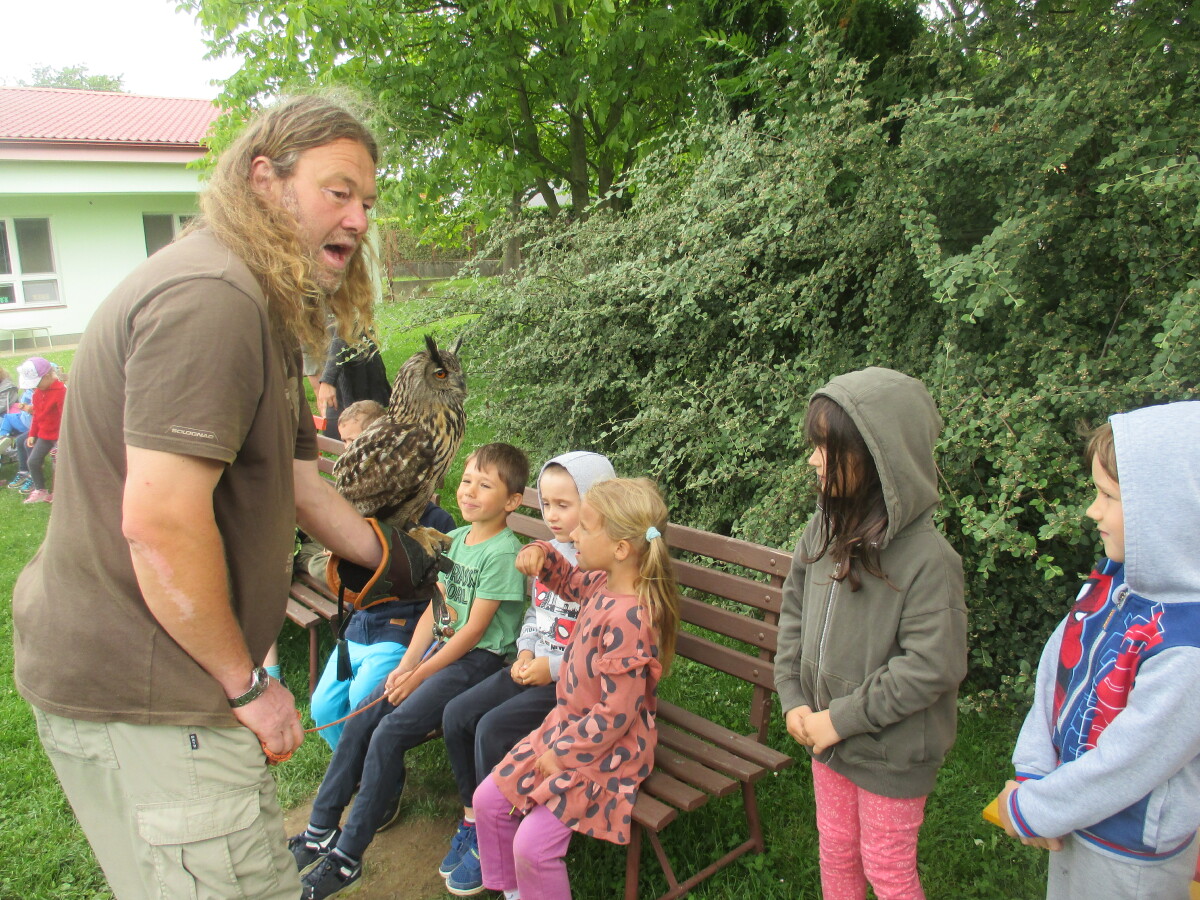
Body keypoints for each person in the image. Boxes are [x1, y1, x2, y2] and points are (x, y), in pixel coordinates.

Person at [11, 95, 443, 900]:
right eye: (338, 191)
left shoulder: (259, 304)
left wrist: (392, 556)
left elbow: (296, 482)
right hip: (155, 688)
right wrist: (248, 684)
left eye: (367, 202)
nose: (358, 219)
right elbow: (159, 523)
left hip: (177, 678)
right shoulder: (213, 297)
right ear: (263, 179)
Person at [290, 442, 530, 900]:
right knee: (364, 714)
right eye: (466, 481)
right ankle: (319, 830)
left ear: (512, 501)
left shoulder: (502, 554)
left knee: (390, 732)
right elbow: (436, 611)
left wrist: (419, 675)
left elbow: (472, 633)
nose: (469, 491)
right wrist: (405, 665)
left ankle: (347, 858)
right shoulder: (459, 540)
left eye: (485, 485)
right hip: (440, 651)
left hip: (477, 661)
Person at [774, 367, 967, 900]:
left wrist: (841, 719)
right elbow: (794, 609)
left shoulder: (929, 560)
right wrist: (792, 696)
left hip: (888, 753)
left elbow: (931, 666)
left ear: (878, 456)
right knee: (836, 852)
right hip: (824, 736)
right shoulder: (823, 529)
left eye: (826, 447)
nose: (813, 460)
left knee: (887, 870)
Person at [994, 403, 1200, 899]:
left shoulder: (1187, 646)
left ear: (1170, 509)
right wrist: (1033, 773)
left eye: (1109, 495)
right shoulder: (1116, 582)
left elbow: (1131, 762)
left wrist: (1030, 809)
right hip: (1069, 816)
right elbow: (1058, 666)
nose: (1093, 510)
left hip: (1129, 855)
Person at [474, 476, 681, 900]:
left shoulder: (631, 620)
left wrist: (562, 754)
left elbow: (616, 715)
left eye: (585, 527)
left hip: (609, 750)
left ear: (620, 549)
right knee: (488, 802)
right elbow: (568, 580)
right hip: (568, 726)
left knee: (533, 847)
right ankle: (515, 894)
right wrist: (542, 555)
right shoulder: (603, 582)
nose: (573, 535)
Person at [439, 451, 616, 894]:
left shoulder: (603, 564)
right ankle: (476, 820)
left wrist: (549, 668)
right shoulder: (546, 554)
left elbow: (597, 650)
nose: (551, 516)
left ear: (597, 505)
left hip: (568, 685)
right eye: (546, 505)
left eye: (564, 505)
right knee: (458, 714)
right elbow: (536, 615)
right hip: (531, 664)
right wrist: (524, 651)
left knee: (491, 728)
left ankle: (503, 827)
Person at [307, 399, 458, 748]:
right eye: (348, 444)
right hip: (358, 626)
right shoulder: (357, 517)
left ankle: (368, 769)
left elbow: (444, 589)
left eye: (360, 444)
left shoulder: (435, 521)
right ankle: (354, 767)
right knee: (323, 707)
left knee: (362, 702)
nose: (354, 454)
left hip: (399, 629)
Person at [317, 331, 390, 439]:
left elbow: (346, 327)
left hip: (357, 364)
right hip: (330, 359)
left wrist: (328, 379)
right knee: (335, 431)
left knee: (363, 425)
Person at [17, 356, 65, 504]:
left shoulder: (61, 391)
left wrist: (62, 439)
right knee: (33, 461)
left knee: (59, 464)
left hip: (59, 436)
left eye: (37, 383)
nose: (35, 387)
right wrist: (32, 434)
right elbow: (37, 415)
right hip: (44, 435)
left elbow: (65, 417)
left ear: (48, 376)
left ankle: (59, 493)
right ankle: (40, 490)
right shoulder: (38, 393)